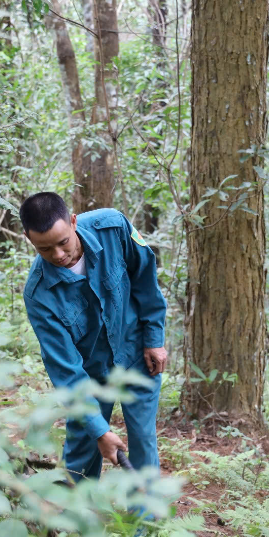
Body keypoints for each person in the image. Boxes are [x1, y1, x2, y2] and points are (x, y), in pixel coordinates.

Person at [19, 192, 167, 482]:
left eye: (63, 243)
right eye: (45, 249)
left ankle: (145, 524)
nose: (59, 255)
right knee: (81, 452)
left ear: (73, 222)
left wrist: (154, 337)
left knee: (143, 442)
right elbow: (66, 370)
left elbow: (145, 279)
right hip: (89, 376)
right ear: (29, 239)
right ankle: (75, 523)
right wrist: (100, 431)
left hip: (137, 354)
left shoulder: (113, 227)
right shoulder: (38, 295)